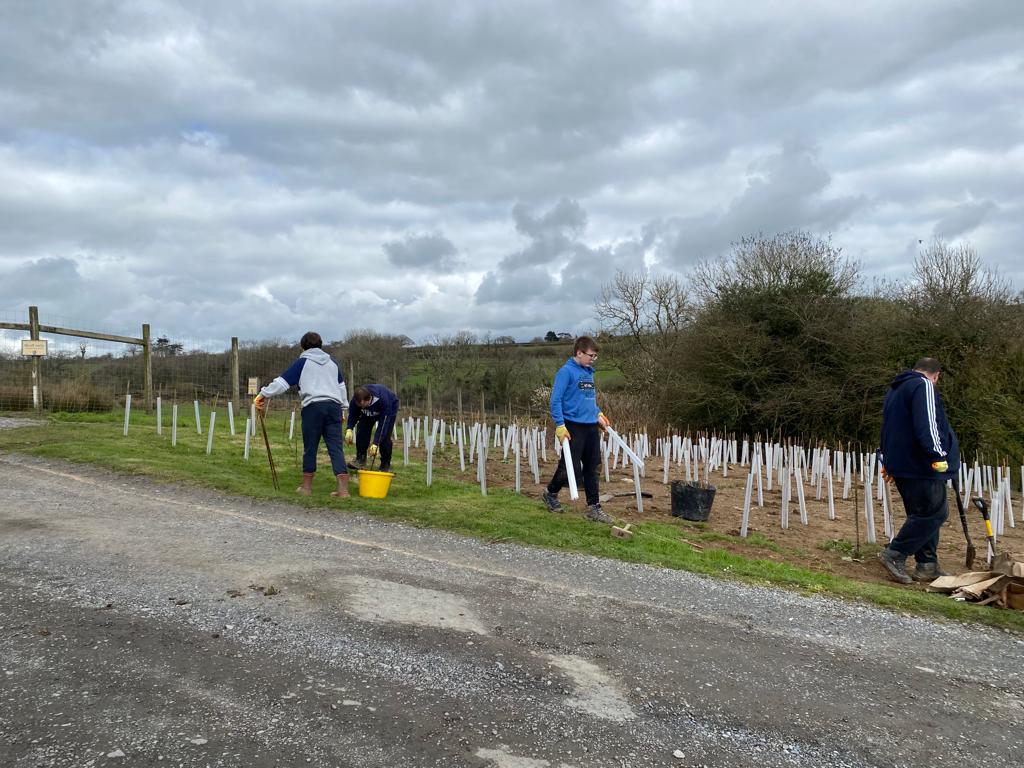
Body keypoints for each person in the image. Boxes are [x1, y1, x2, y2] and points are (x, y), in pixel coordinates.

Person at [878, 357, 960, 584]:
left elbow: (888, 426)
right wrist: (937, 454)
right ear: (936, 375)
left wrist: (886, 457)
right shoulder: (923, 385)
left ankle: (927, 565)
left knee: (923, 513)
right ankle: (894, 554)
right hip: (921, 463)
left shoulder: (896, 389)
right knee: (935, 513)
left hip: (902, 462)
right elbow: (927, 422)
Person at [254, 332, 350, 498]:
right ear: (320, 345)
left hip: (313, 407)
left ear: (302, 346)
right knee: (336, 448)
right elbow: (341, 387)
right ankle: (343, 491)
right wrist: (343, 409)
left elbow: (282, 383)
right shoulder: (333, 363)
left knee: (310, 447)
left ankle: (306, 488)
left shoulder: (302, 362)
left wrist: (263, 394)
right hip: (334, 407)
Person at [542, 335, 612, 523]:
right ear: (579, 353)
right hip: (572, 427)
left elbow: (588, 399)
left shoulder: (589, 372)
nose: (593, 359)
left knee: (593, 467)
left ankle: (594, 507)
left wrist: (598, 414)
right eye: (591, 355)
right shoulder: (566, 372)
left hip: (591, 427)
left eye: (595, 356)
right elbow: (555, 400)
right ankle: (550, 493)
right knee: (568, 467)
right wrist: (560, 425)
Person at [346, 384, 399, 472]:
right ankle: (360, 459)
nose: (361, 407)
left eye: (362, 405)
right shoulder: (356, 400)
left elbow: (383, 426)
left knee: (385, 437)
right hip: (369, 413)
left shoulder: (383, 400)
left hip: (390, 407)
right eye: (359, 405)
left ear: (368, 399)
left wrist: (376, 443)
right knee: (362, 429)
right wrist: (349, 428)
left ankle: (385, 464)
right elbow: (353, 414)